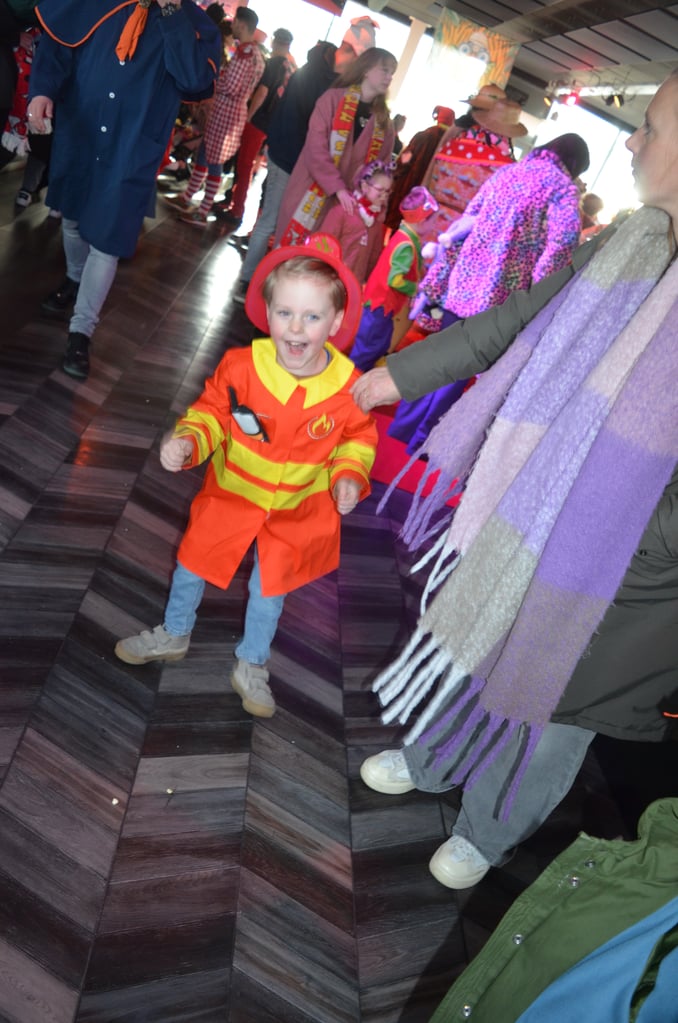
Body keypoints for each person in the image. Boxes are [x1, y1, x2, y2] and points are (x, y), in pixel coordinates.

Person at [350, 70, 678, 890]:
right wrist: (398, 375)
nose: (635, 142)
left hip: (632, 558)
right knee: (484, 629)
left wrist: (645, 536)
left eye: (652, 128)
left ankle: (488, 829)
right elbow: (516, 320)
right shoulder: (630, 243)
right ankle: (434, 758)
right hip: (547, 500)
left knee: (557, 703)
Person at [115, 234, 378, 719]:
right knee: (192, 563)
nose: (295, 328)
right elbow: (212, 412)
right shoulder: (241, 366)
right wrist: (188, 441)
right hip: (232, 494)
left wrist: (348, 475)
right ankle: (174, 632)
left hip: (296, 510)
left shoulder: (349, 389)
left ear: (337, 322)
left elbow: (357, 439)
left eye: (312, 317)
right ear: (267, 311)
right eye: (285, 312)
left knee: (269, 590)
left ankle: (252, 662)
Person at [28, 0, 221, 381]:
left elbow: (193, 79)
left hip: (133, 146)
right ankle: (74, 277)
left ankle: (81, 330)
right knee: (71, 217)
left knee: (108, 240)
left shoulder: (193, 23)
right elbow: (58, 43)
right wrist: (42, 90)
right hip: (82, 129)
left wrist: (171, 14)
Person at [391, 132, 589, 453]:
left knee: (437, 356)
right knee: (460, 369)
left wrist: (445, 275)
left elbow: (467, 221)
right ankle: (423, 443)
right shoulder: (562, 189)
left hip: (465, 281)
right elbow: (563, 242)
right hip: (501, 295)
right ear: (575, 165)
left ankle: (401, 429)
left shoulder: (507, 172)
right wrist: (541, 286)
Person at [231, 39, 339, 302]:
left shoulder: (303, 74)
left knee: (269, 219)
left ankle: (250, 280)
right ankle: (254, 284)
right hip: (294, 162)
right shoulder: (323, 86)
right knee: (277, 224)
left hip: (279, 153)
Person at [274, 46, 397, 248]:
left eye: (392, 73)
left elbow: (380, 172)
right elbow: (315, 149)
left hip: (346, 210)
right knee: (290, 256)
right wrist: (338, 188)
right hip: (310, 193)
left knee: (323, 260)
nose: (389, 77)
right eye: (385, 70)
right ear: (366, 69)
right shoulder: (332, 99)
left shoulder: (384, 123)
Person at [170, 5, 262, 226]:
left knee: (214, 161)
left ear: (241, 24)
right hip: (231, 112)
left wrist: (212, 82)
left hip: (226, 111)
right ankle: (188, 197)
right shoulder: (256, 54)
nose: (233, 26)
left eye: (235, 22)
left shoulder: (245, 54)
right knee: (206, 154)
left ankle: (202, 211)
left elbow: (230, 86)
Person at [348, 186, 439, 371]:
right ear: (422, 221)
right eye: (433, 221)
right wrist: (415, 288)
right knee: (368, 346)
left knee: (381, 342)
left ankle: (365, 370)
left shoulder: (405, 235)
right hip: (381, 304)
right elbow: (395, 280)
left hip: (385, 305)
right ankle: (351, 376)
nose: (434, 226)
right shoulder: (406, 245)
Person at [215, 26, 294, 229]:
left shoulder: (274, 64)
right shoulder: (289, 68)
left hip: (258, 120)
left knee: (244, 165)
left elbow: (262, 92)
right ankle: (231, 200)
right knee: (245, 164)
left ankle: (237, 210)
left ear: (275, 41)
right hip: (269, 123)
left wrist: (249, 117)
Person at [320, 158, 394, 286]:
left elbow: (373, 259)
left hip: (353, 285)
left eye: (387, 191)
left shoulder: (376, 224)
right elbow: (322, 248)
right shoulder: (341, 212)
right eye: (380, 190)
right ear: (365, 186)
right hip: (329, 282)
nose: (384, 196)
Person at [383, 105, 454, 234]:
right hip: (429, 196)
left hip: (408, 188)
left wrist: (395, 173)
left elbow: (405, 159)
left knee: (396, 227)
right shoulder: (451, 144)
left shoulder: (424, 135)